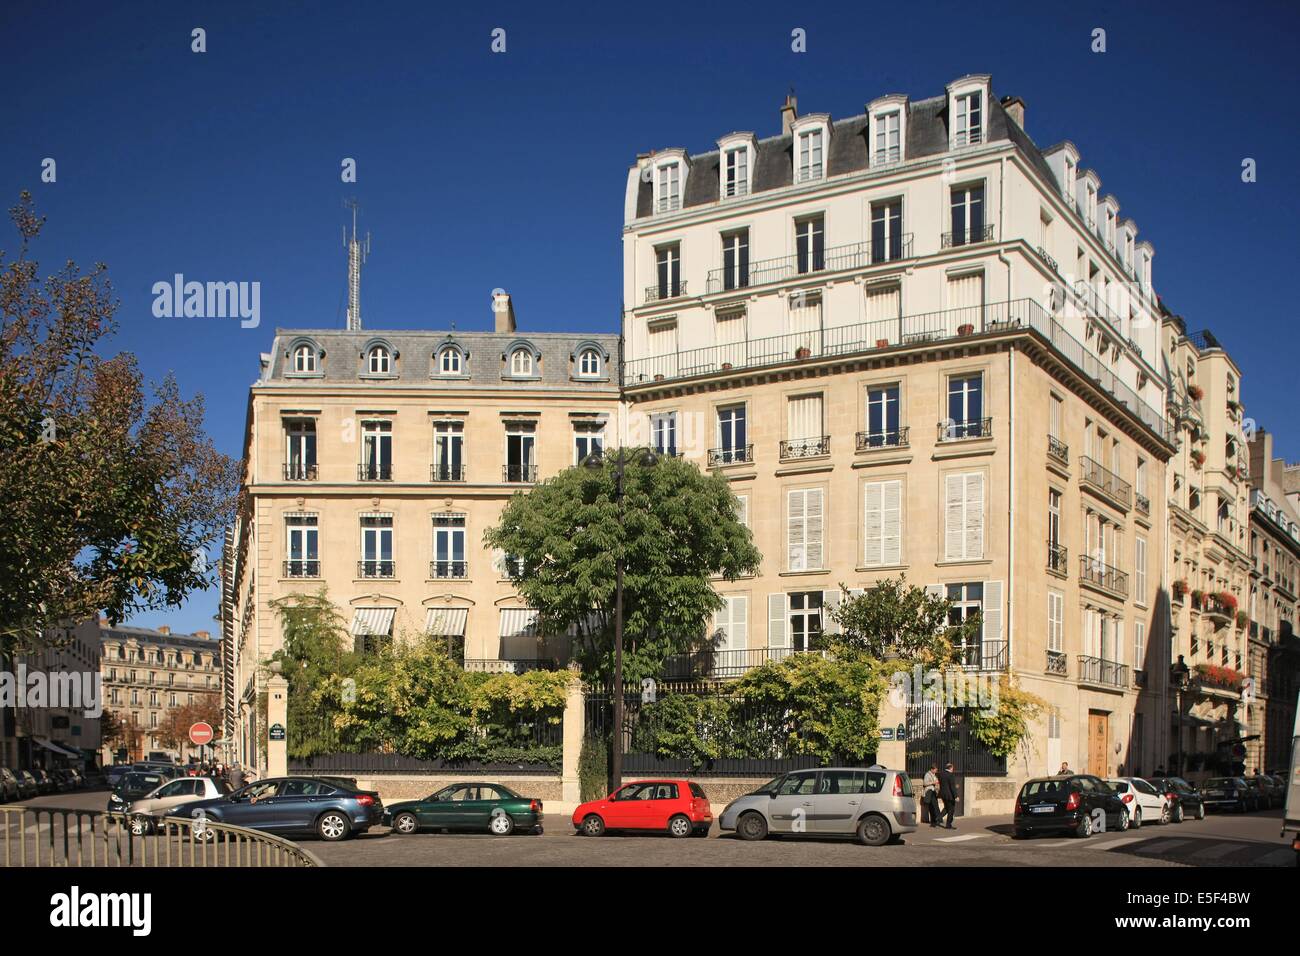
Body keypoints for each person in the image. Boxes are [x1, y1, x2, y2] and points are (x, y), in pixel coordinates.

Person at [937, 762, 959, 829]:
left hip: (943, 794)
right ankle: (948, 825)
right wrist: (956, 796)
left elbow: (945, 784)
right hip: (950, 795)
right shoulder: (951, 775)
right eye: (952, 768)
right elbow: (952, 786)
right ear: (950, 768)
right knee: (951, 810)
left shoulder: (941, 774)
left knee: (946, 808)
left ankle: (938, 817)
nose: (953, 769)